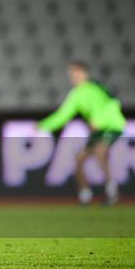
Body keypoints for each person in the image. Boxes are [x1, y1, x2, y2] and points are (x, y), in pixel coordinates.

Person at [37, 61, 126, 205]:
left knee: (99, 151)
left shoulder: (96, 87)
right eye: (72, 74)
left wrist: (99, 121)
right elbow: (63, 115)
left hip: (113, 126)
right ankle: (85, 195)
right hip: (98, 131)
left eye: (77, 73)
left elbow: (114, 104)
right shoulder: (75, 94)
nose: (74, 76)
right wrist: (43, 125)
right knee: (79, 159)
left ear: (85, 74)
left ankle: (112, 192)